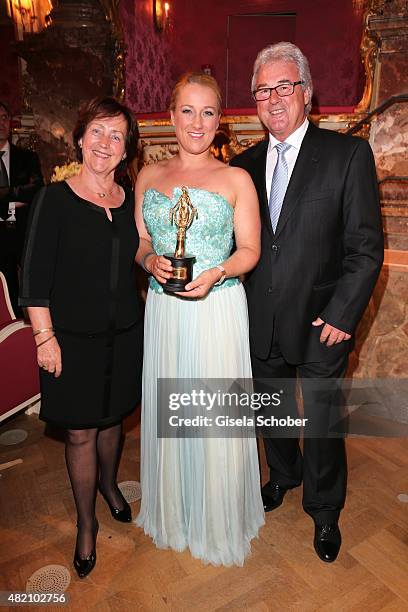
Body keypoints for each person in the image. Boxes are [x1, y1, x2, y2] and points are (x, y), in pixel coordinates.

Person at [230, 42, 384, 563]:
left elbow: (365, 249)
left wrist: (344, 314)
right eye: (263, 89)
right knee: (270, 411)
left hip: (323, 321)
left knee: (321, 420)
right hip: (260, 316)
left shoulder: (347, 155)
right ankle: (284, 476)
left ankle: (324, 510)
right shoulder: (240, 167)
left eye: (284, 86)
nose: (273, 99)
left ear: (307, 93)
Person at [134, 72, 264, 566]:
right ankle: (177, 508)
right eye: (187, 111)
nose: (197, 122)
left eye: (208, 112)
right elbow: (143, 241)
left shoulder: (236, 180)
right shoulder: (148, 176)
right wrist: (149, 261)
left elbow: (250, 249)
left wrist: (218, 272)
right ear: (170, 118)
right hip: (165, 311)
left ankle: (216, 515)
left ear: (220, 122)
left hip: (217, 309)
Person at [19, 97, 143, 578]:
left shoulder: (127, 199)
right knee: (80, 431)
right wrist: (44, 338)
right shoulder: (54, 199)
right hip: (71, 341)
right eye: (97, 131)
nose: (105, 144)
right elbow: (33, 278)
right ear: (79, 137)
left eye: (116, 136)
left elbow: (136, 253)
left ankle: (111, 486)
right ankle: (86, 523)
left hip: (126, 333)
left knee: (113, 420)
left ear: (125, 148)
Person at [0, 101, 43, 315]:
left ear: (10, 123)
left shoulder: (27, 157)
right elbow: (23, 192)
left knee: (31, 285)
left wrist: (4, 193)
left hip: (23, 230)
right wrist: (15, 196)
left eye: (4, 118)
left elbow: (36, 190)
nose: (0, 123)